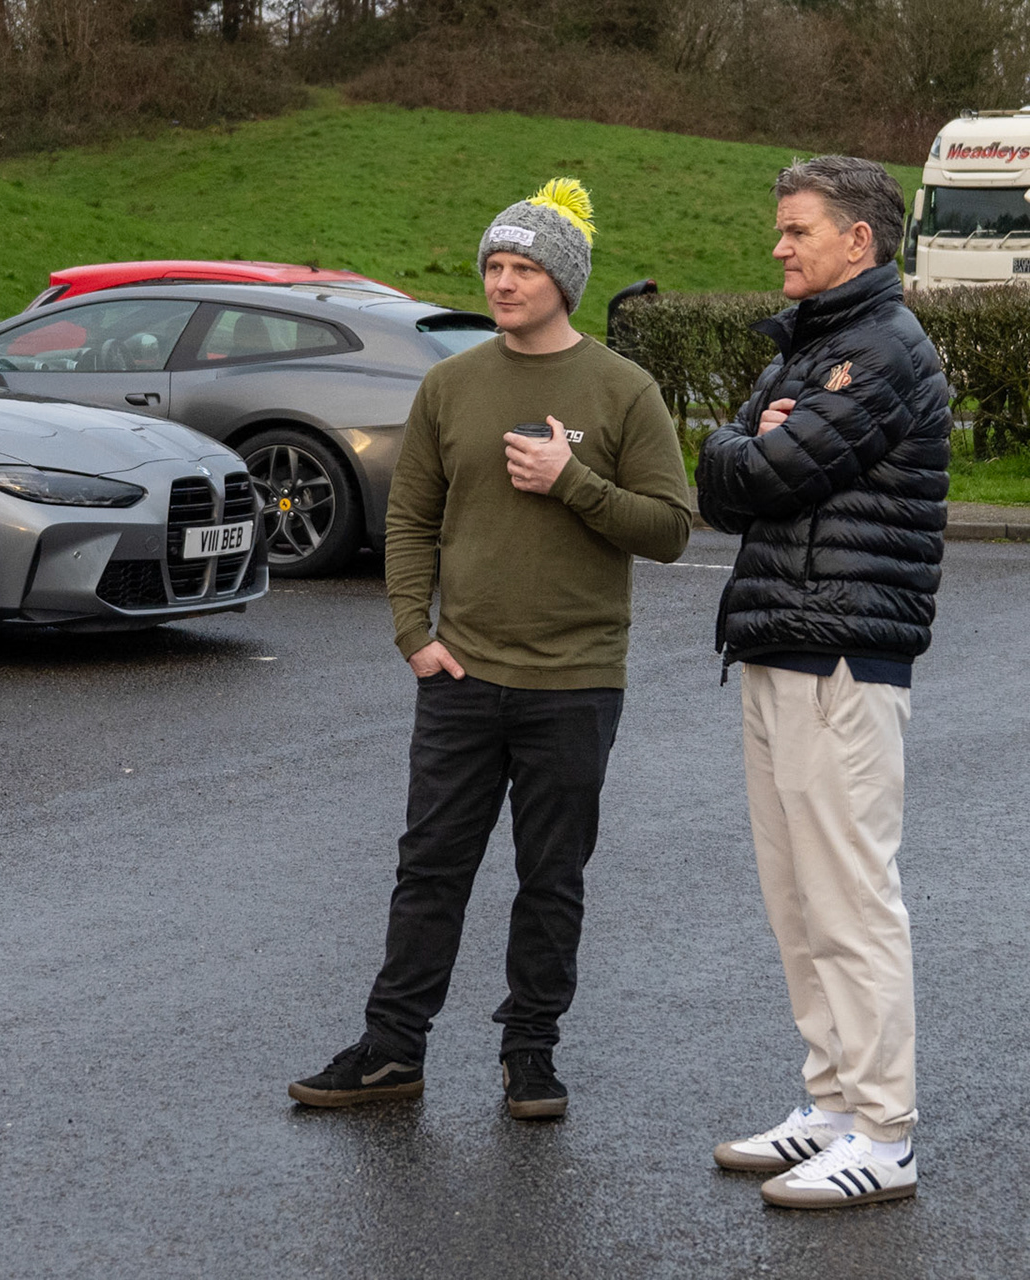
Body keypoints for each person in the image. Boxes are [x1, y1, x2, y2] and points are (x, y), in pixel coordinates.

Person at [289, 178, 692, 1118]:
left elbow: (672, 529)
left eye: (523, 269)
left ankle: (530, 1053)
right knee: (429, 870)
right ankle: (392, 1050)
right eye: (495, 266)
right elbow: (409, 522)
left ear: (565, 282)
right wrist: (413, 635)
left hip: (575, 683)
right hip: (462, 676)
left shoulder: (622, 389)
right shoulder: (450, 385)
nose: (503, 283)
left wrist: (572, 480)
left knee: (551, 879)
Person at [696, 155, 949, 1209]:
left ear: (859, 240)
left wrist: (750, 445)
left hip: (841, 655)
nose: (779, 246)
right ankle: (833, 1104)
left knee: (849, 897)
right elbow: (721, 480)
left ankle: (884, 1131)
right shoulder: (810, 345)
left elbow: (768, 470)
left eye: (797, 229)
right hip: (779, 644)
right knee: (798, 898)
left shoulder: (882, 349)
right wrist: (744, 445)